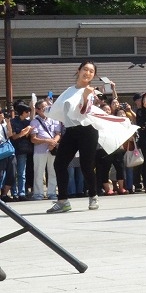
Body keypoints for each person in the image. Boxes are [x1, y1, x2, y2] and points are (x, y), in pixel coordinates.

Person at [47, 63, 135, 213]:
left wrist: (86, 96)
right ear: (79, 71)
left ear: (93, 75)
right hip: (71, 130)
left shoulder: (91, 92)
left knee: (86, 165)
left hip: (88, 130)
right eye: (85, 70)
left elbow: (82, 111)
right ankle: (63, 200)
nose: (87, 73)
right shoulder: (69, 91)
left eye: (91, 71)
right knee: (59, 164)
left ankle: (93, 195)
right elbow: (59, 109)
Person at [30, 100, 61, 201]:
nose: (46, 109)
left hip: (52, 150)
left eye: (46, 107)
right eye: (43, 107)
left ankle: (52, 192)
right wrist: (47, 141)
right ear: (38, 110)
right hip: (40, 151)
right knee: (39, 172)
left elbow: (58, 134)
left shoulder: (54, 119)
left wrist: (53, 142)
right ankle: (38, 193)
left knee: (53, 171)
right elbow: (33, 139)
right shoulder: (34, 121)